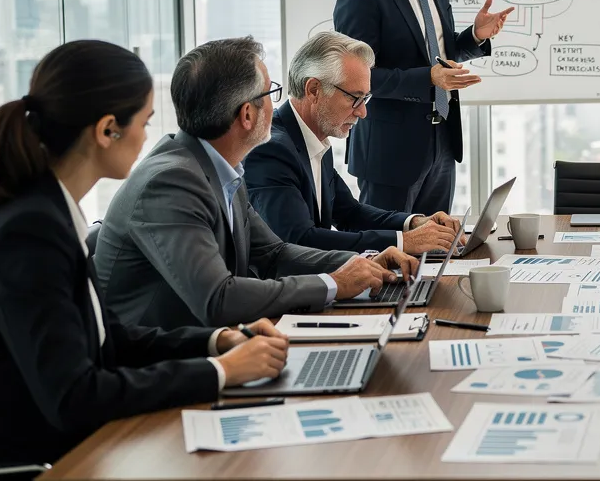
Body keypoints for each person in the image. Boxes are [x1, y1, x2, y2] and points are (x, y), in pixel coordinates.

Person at [0, 41, 289, 474]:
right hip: (28, 470)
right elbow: (75, 395)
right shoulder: (28, 232)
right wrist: (219, 371)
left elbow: (112, 339)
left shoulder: (50, 212)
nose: (149, 137)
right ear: (108, 129)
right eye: (144, 122)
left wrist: (216, 341)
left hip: (70, 452)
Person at [94, 37, 420, 331]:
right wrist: (333, 283)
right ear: (247, 114)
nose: (276, 105)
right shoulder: (170, 182)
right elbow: (218, 298)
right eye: (270, 93)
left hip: (212, 345)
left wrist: (361, 262)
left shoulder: (220, 168)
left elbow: (273, 253)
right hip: (162, 367)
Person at [333, 0, 514, 214]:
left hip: (442, 145)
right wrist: (429, 79)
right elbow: (356, 79)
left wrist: (474, 36)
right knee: (388, 255)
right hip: (390, 155)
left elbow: (439, 55)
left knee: (432, 253)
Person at [244, 31, 462, 255]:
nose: (363, 112)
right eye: (354, 97)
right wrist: (404, 242)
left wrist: (414, 223)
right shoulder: (272, 150)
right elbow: (299, 241)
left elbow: (350, 214)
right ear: (313, 90)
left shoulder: (314, 136)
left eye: (366, 98)